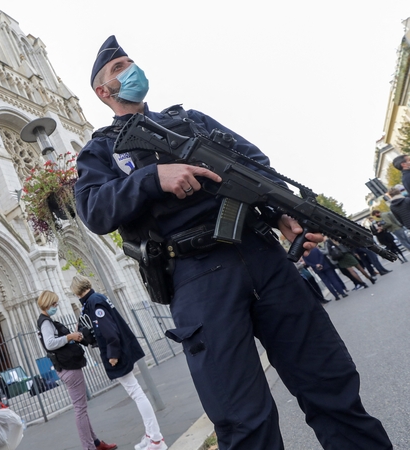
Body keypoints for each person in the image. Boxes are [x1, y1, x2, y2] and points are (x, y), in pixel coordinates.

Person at [74, 35, 392, 449]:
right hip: (196, 275)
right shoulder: (101, 150)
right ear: (103, 91)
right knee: (244, 423)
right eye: (119, 69)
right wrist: (152, 179)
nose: (131, 71)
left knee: (332, 387)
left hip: (263, 257)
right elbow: (95, 210)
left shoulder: (190, 120)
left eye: (131, 63)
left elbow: (257, 167)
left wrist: (284, 215)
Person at [70, 275, 166, 450]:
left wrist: (113, 355)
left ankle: (156, 439)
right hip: (118, 349)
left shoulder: (94, 302)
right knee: (135, 391)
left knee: (136, 392)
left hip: (116, 352)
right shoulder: (95, 299)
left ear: (76, 291)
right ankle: (151, 435)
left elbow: (108, 330)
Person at [35, 290, 117, 450]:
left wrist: (72, 336)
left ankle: (96, 443)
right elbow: (50, 343)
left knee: (82, 409)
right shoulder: (45, 322)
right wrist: (70, 337)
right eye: (54, 304)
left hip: (67, 366)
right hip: (68, 367)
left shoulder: (47, 321)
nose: (56, 306)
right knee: (80, 409)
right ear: (48, 303)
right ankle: (89, 447)